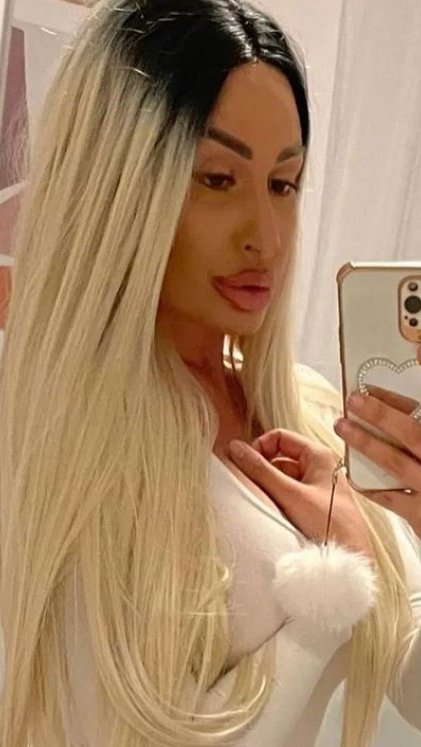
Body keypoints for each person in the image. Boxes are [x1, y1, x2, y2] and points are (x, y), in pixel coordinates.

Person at [0, 0, 420, 745]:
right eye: (218, 179)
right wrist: (333, 590)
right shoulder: (68, 441)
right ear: (119, 187)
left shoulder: (309, 408)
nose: (267, 237)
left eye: (283, 184)